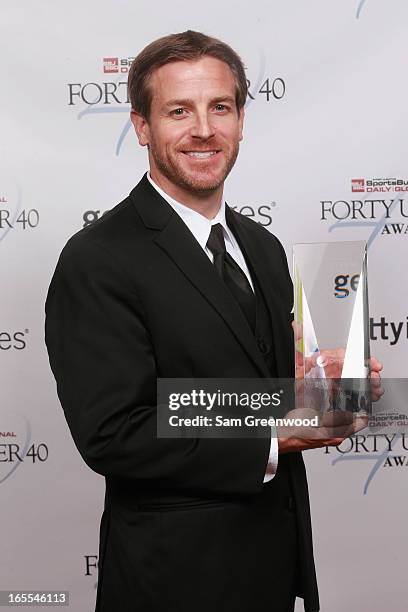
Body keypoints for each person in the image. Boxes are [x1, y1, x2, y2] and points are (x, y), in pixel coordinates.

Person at [45, 30, 381, 612]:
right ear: (142, 126)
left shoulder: (264, 247)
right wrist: (272, 433)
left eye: (219, 107)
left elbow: (270, 394)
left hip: (275, 570)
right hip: (172, 581)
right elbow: (114, 432)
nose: (204, 129)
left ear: (242, 119)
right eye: (179, 110)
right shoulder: (98, 258)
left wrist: (323, 389)